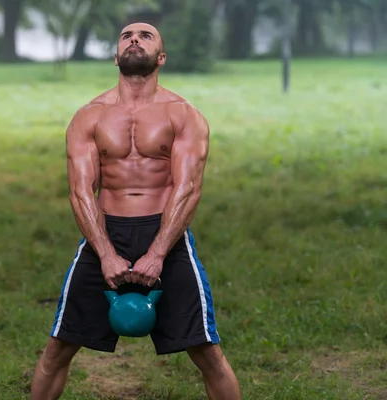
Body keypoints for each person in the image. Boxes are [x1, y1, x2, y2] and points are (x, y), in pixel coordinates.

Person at [30, 22, 241, 400]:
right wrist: (106, 254)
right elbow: (81, 193)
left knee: (208, 352)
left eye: (145, 36)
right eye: (126, 36)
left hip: (167, 235)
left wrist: (158, 252)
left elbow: (187, 188)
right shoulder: (89, 117)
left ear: (161, 57)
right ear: (116, 56)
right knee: (56, 350)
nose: (134, 40)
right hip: (104, 234)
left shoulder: (184, 115)